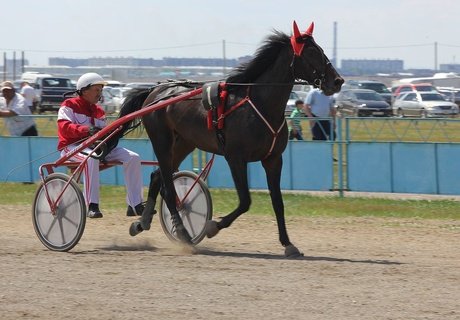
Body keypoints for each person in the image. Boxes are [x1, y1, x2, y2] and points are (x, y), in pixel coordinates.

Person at [57, 72, 144, 219]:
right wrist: (86, 130)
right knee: (91, 158)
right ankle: (92, 205)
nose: (100, 93)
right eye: (97, 90)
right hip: (71, 148)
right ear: (84, 91)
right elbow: (64, 127)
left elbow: (103, 134)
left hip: (96, 148)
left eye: (101, 90)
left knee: (133, 158)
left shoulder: (99, 111)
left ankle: (134, 205)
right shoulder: (68, 105)